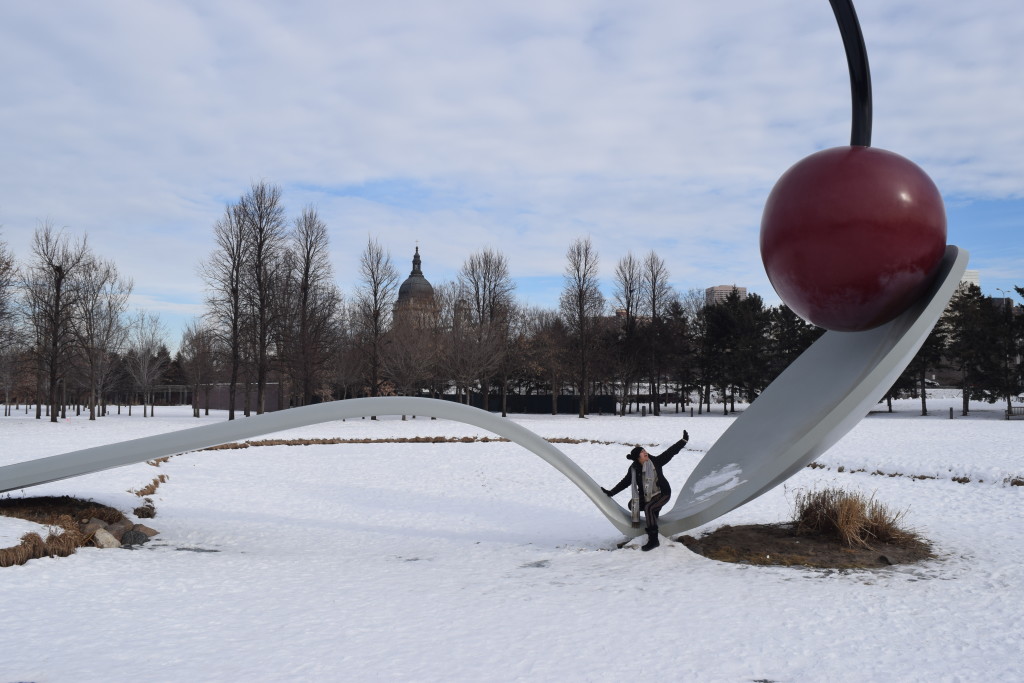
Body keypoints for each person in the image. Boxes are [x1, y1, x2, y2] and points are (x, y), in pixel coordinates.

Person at [602, 430, 688, 551]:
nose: (645, 453)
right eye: (642, 452)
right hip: (648, 497)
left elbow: (670, 452)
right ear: (638, 458)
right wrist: (611, 492)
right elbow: (625, 482)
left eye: (645, 451)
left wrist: (683, 441)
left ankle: (654, 540)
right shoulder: (633, 469)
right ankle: (654, 512)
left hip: (663, 493)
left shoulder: (656, 462)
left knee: (649, 508)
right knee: (632, 504)